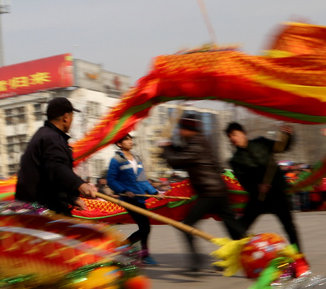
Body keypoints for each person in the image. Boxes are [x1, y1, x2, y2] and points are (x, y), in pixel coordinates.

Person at [160, 112, 245, 273]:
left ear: (189, 130)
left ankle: (196, 263)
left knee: (186, 226)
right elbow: (180, 153)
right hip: (217, 191)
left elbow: (176, 161)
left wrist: (165, 148)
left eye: (181, 129)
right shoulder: (198, 141)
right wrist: (169, 146)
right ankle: (251, 251)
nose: (179, 132)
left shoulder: (196, 144)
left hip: (210, 193)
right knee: (233, 227)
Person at [15, 97, 97, 215]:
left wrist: (72, 198)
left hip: (36, 207)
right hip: (42, 210)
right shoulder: (52, 138)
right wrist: (79, 184)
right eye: (72, 116)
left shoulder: (44, 135)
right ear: (66, 117)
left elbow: (50, 178)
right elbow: (56, 167)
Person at [225, 122, 302, 250]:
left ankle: (299, 256)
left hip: (277, 192)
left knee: (289, 226)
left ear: (243, 133)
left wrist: (287, 135)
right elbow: (243, 181)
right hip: (258, 198)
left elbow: (281, 147)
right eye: (229, 136)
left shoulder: (261, 142)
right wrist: (256, 187)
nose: (232, 138)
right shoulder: (235, 160)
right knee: (240, 227)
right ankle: (229, 257)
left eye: (234, 134)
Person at [106, 134, 159, 264]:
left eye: (130, 139)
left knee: (145, 227)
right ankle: (142, 254)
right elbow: (111, 180)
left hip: (140, 198)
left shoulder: (137, 158)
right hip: (129, 199)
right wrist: (124, 191)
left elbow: (142, 179)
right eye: (126, 139)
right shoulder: (116, 160)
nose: (130, 141)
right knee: (145, 227)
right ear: (119, 144)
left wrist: (154, 192)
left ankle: (126, 247)